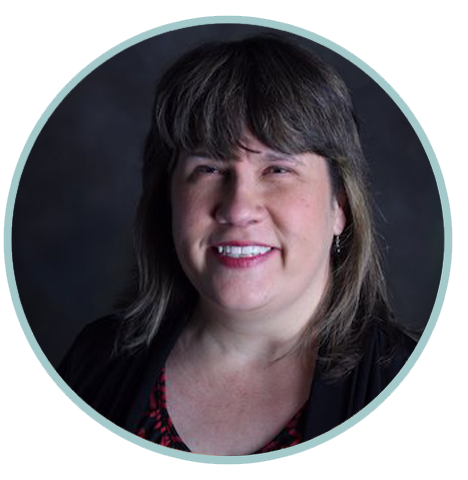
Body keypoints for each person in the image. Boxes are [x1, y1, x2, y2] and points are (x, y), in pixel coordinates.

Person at [58, 35, 416, 456]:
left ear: (339, 206)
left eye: (278, 168)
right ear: (167, 200)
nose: (238, 208)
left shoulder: (415, 390)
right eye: (208, 167)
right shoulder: (95, 360)